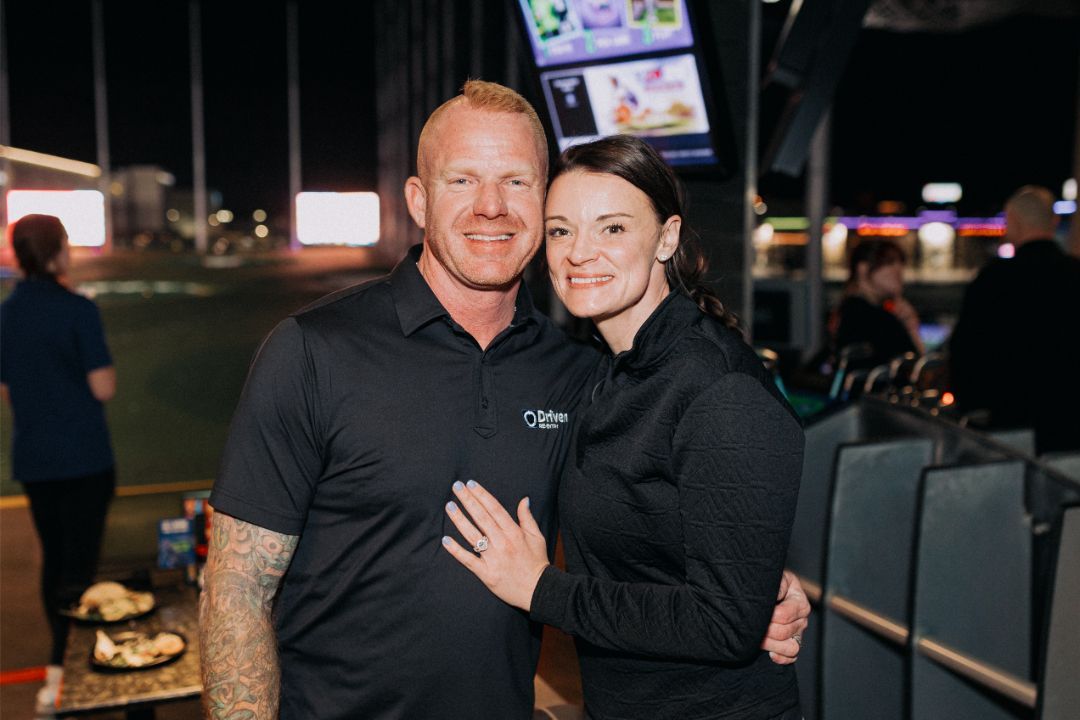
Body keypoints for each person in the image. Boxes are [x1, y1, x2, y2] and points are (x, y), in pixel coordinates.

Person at [200, 81, 809, 720]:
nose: (491, 207)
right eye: (462, 181)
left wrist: (749, 594)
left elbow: (661, 516)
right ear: (418, 199)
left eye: (517, 183)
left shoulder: (580, 372)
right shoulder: (311, 351)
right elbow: (237, 592)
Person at [441, 135, 804, 720]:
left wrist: (539, 588)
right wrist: (760, 580)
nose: (580, 252)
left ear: (667, 237)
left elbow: (724, 624)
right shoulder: (607, 372)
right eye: (561, 230)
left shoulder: (718, 389)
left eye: (612, 228)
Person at [0, 214, 117, 715]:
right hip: (85, 459)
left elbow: (7, 389)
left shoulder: (6, 314)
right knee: (83, 570)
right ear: (55, 253)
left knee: (55, 564)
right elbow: (103, 387)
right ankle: (76, 677)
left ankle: (55, 676)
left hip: (36, 459)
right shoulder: (77, 310)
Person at [949, 185, 1080, 453]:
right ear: (1054, 222)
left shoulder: (992, 282)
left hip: (1009, 428)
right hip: (1072, 427)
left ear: (1013, 222)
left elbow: (965, 356)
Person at [830, 238, 922, 370]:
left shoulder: (847, 310)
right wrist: (911, 327)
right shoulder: (877, 319)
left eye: (901, 263)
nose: (898, 269)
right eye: (889, 262)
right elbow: (917, 370)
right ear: (863, 268)